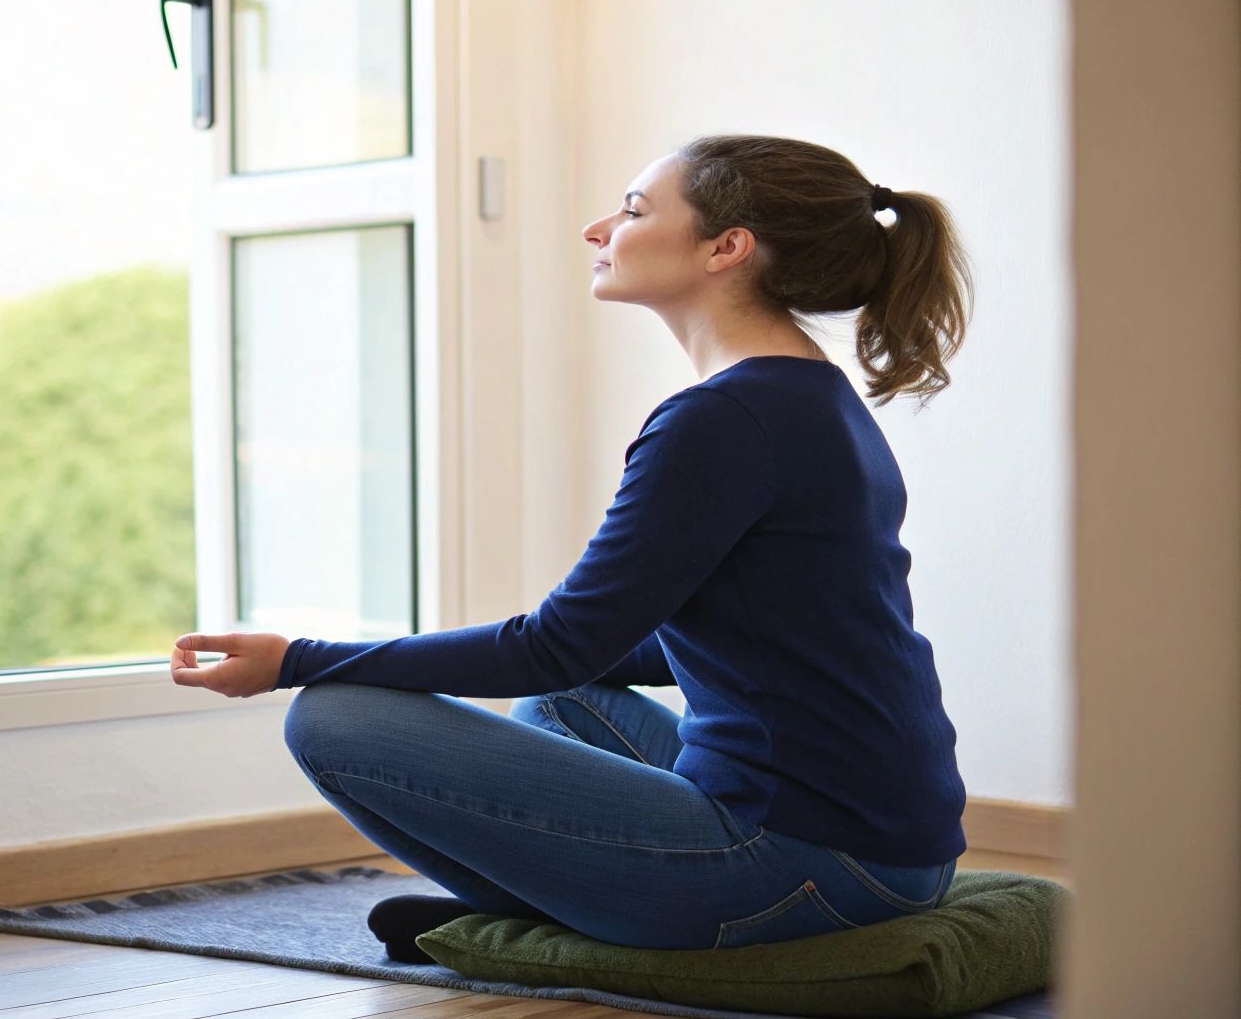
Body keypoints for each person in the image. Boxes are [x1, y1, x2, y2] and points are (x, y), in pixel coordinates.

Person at [170, 133, 976, 960]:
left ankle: (562, 919)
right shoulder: (811, 398)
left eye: (632, 210)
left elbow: (555, 643)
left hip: (805, 869)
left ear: (727, 248)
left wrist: (297, 660)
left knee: (333, 718)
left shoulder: (722, 420)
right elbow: (704, 639)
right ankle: (563, 909)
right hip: (897, 854)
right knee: (566, 706)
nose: (599, 229)